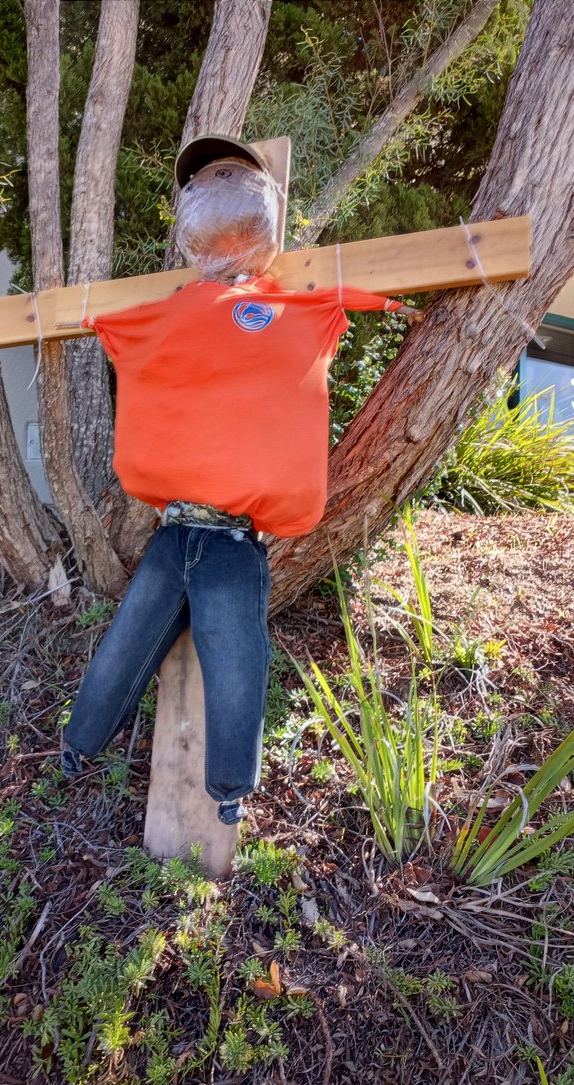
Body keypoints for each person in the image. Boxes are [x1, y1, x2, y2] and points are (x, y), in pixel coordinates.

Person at [62, 134, 417, 825]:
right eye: (206, 180)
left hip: (231, 542)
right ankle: (80, 746)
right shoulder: (156, 315)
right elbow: (79, 317)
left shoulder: (299, 306)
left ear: (267, 207)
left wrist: (391, 307)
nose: (219, 185)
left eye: (234, 177)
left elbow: (376, 297)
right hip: (173, 535)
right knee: (126, 647)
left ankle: (227, 790)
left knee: (235, 664)